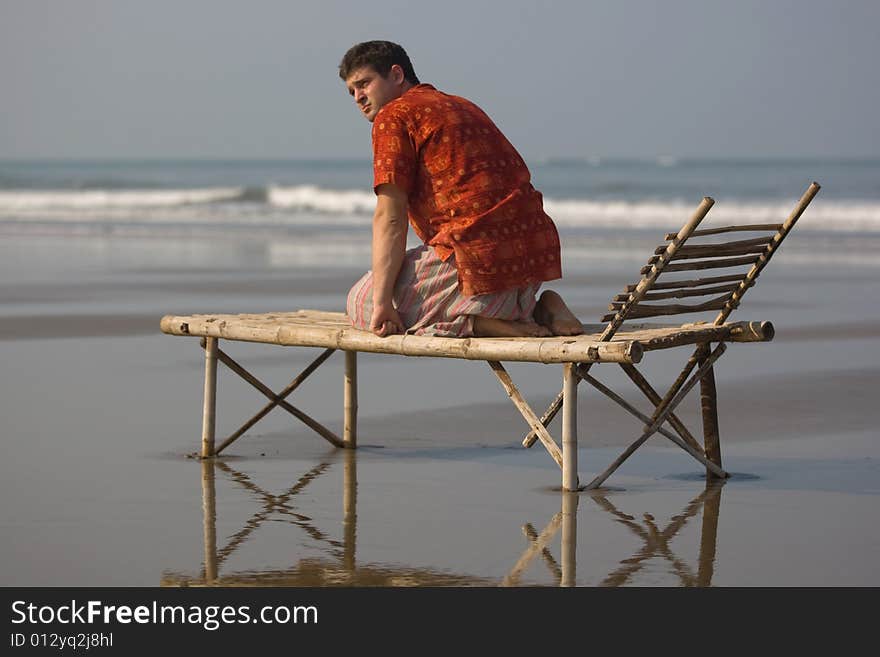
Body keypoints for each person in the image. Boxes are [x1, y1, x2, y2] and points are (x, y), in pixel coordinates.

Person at [340, 40, 583, 339]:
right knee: (408, 280)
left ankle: (478, 323)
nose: (358, 97)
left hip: (476, 259)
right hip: (528, 261)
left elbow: (390, 218)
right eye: (352, 91)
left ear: (397, 75)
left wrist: (381, 302)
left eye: (364, 84)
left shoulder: (394, 116)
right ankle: (538, 308)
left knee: (361, 301)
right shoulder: (462, 104)